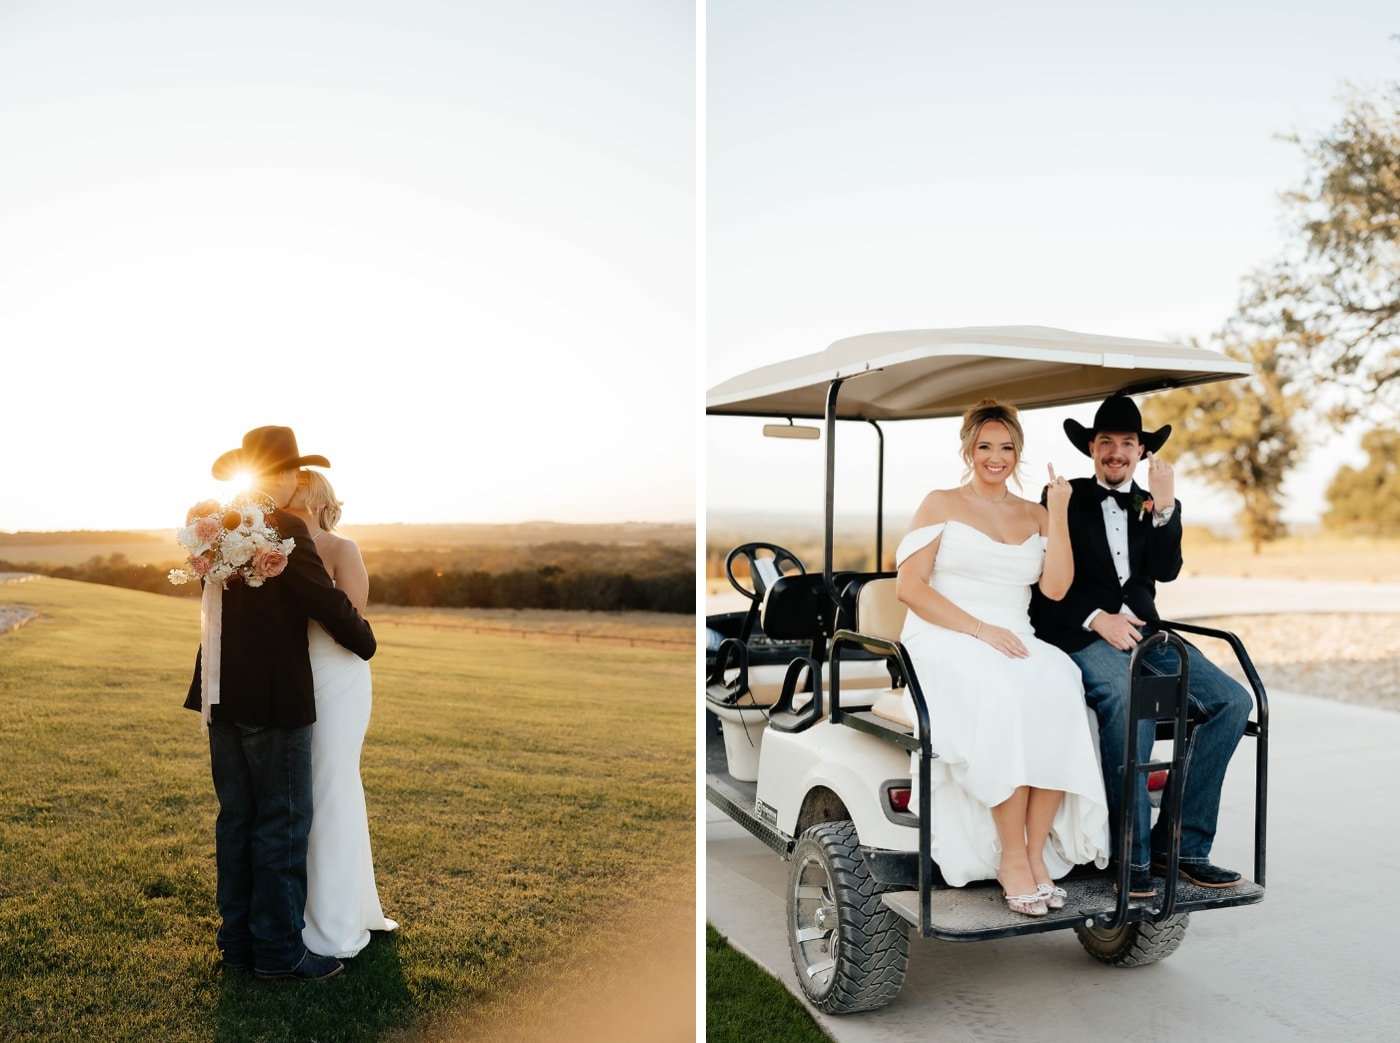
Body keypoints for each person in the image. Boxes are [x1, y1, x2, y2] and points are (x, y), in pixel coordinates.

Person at [1029, 394, 1252, 899]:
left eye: (1127, 443)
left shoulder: (1153, 502)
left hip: (1148, 637)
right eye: (1106, 442)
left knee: (1233, 702)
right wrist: (1097, 618)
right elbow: (1048, 586)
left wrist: (1166, 504)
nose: (1116, 452)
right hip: (1082, 635)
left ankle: (1183, 846)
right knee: (1136, 706)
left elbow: (1167, 570)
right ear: (1091, 447)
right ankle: (1130, 858)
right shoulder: (1063, 496)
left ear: (1140, 451)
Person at [892, 399, 1109, 917]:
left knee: (1062, 683)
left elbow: (1055, 588)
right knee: (1007, 693)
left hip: (1014, 635)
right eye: (985, 446)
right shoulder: (940, 503)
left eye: (1006, 447)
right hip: (945, 633)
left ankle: (1036, 854)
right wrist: (979, 629)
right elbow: (909, 588)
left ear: (1019, 452)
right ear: (968, 449)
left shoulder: (1034, 513)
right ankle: (1011, 856)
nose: (996, 457)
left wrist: (1057, 513)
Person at [184, 426, 377, 981]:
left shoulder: (212, 523)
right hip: (276, 697)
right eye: (291, 468)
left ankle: (237, 945)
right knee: (282, 825)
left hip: (221, 694)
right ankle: (279, 953)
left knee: (237, 822)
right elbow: (328, 603)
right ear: (284, 473)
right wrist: (365, 642)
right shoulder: (287, 528)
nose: (295, 477)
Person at [284, 468, 398, 957]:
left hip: (337, 677)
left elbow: (350, 620)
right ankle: (302, 908)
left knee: (330, 788)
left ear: (312, 500)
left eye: (295, 495)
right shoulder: (273, 548)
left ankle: (331, 925)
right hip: (290, 677)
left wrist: (304, 582)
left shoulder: (340, 549)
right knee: (300, 793)